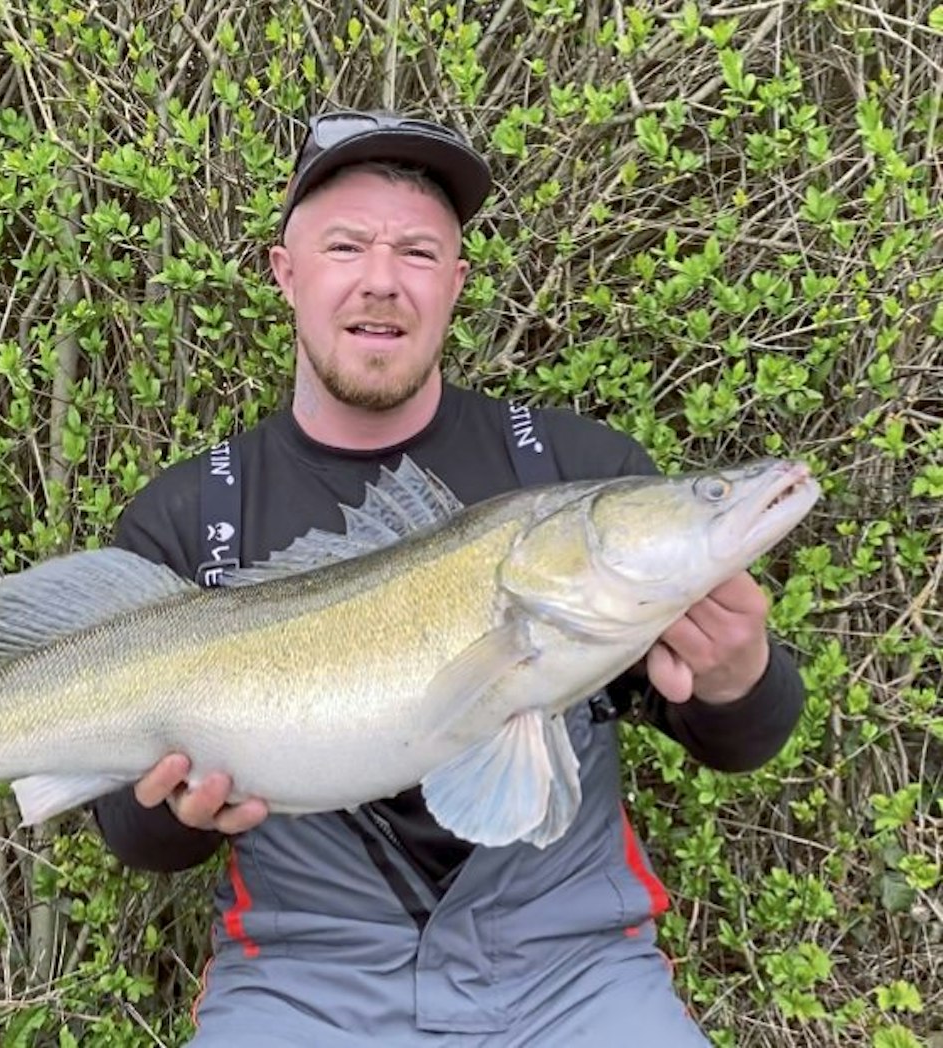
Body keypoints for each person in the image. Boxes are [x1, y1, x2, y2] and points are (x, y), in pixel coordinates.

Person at [93, 110, 804, 1047]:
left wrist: (739, 678)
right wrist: (180, 816)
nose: (382, 281)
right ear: (285, 271)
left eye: (419, 253)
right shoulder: (189, 517)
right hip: (304, 983)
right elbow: (130, 834)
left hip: (576, 975)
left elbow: (741, 737)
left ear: (457, 282)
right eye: (345, 245)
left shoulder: (573, 469)